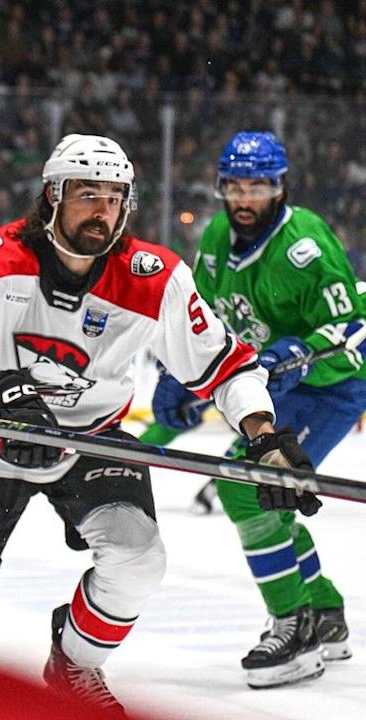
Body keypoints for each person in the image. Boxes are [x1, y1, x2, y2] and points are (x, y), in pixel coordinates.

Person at [0, 133, 312, 714]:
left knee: (138, 556)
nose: (103, 210)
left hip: (89, 439)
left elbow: (225, 366)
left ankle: (73, 665)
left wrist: (263, 437)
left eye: (115, 196)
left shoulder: (155, 278)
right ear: (52, 196)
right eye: (87, 193)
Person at [145, 130, 364, 688]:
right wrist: (180, 373)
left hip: (330, 387)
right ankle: (325, 612)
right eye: (235, 186)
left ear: (280, 187)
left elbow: (356, 327)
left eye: (258, 186)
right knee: (263, 494)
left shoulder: (306, 245)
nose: (244, 198)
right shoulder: (217, 235)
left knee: (248, 488)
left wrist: (306, 349)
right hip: (269, 388)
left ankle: (295, 627)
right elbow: (203, 318)